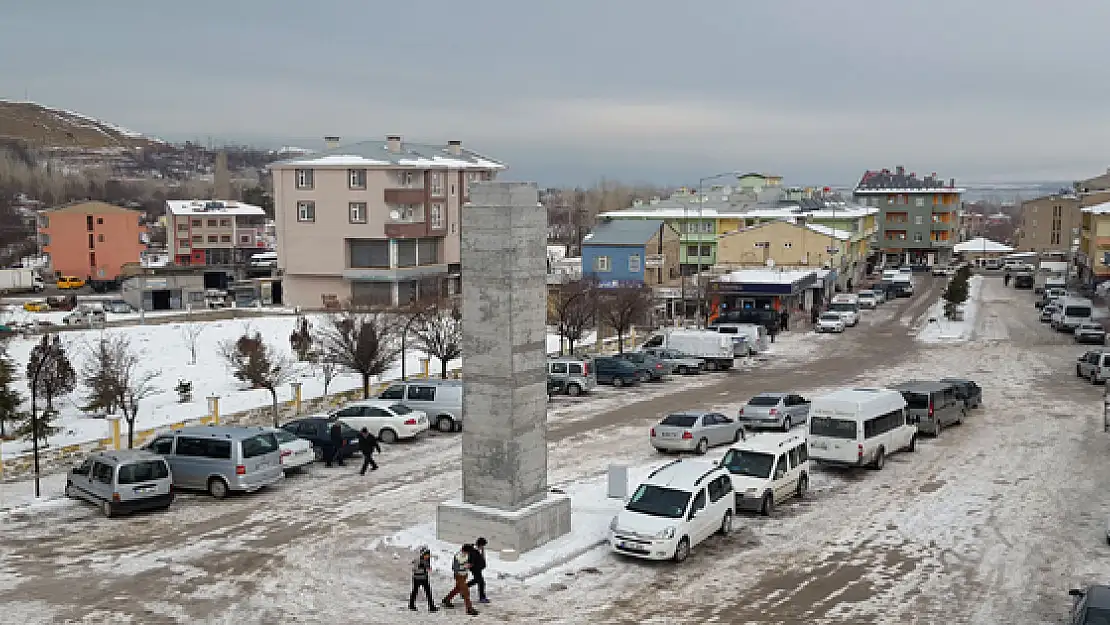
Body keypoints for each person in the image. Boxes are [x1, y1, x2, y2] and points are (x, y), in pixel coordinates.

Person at [442, 544, 479, 615]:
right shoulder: (457, 556)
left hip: (464, 575)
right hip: (459, 576)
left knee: (458, 589)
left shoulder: (466, 554)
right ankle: (469, 609)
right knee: (466, 592)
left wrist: (468, 565)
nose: (469, 553)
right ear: (465, 551)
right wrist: (465, 566)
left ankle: (447, 599)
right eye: (468, 552)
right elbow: (455, 568)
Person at [409, 546, 438, 612]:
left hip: (424, 578)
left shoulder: (427, 560)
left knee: (428, 592)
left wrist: (427, 568)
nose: (427, 556)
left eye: (428, 555)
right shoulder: (418, 560)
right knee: (415, 591)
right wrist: (422, 567)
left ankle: (431, 606)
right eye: (426, 555)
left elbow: (427, 567)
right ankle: (411, 605)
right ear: (423, 554)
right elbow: (414, 569)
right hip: (417, 578)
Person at [466, 537, 489, 603]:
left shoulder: (479, 549)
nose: (483, 547)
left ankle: (464, 588)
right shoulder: (474, 550)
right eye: (483, 545)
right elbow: (472, 560)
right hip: (475, 569)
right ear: (480, 544)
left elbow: (481, 558)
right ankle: (482, 598)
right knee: (481, 582)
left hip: (478, 568)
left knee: (477, 580)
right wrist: (473, 566)